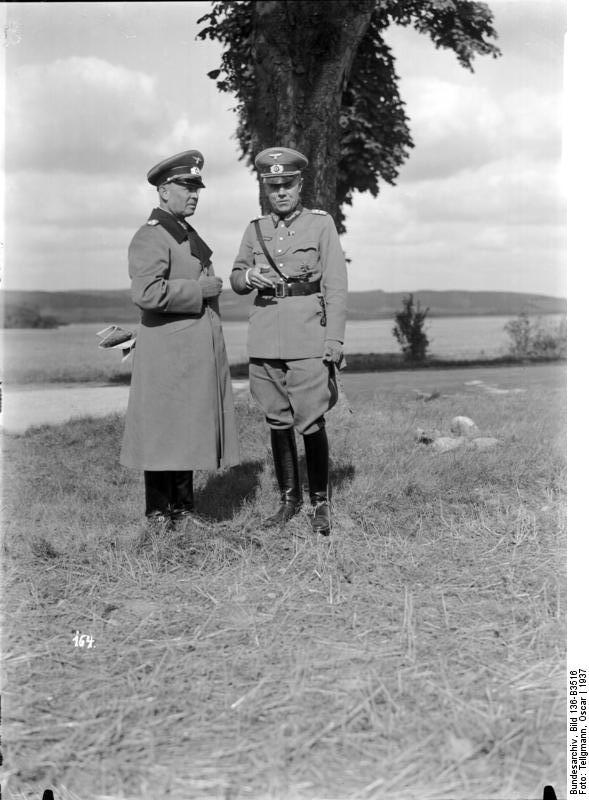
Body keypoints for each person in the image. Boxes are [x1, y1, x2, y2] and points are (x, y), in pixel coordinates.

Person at [230, 146, 347, 535]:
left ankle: (320, 503)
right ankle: (287, 500)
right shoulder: (255, 229)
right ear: (265, 187)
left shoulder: (320, 224)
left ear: (300, 184)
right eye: (273, 186)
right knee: (277, 420)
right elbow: (235, 276)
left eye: (287, 185)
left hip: (307, 336)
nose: (280, 192)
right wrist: (248, 279)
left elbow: (335, 285)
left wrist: (334, 340)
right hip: (265, 336)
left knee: (311, 418)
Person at [120, 149, 240, 531]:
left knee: (184, 430)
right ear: (162, 191)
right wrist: (198, 289)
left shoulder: (184, 234)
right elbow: (147, 294)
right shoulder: (151, 237)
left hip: (188, 352)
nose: (194, 194)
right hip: (167, 352)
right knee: (161, 434)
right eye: (185, 186)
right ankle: (158, 516)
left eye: (196, 187)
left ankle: (183, 513)